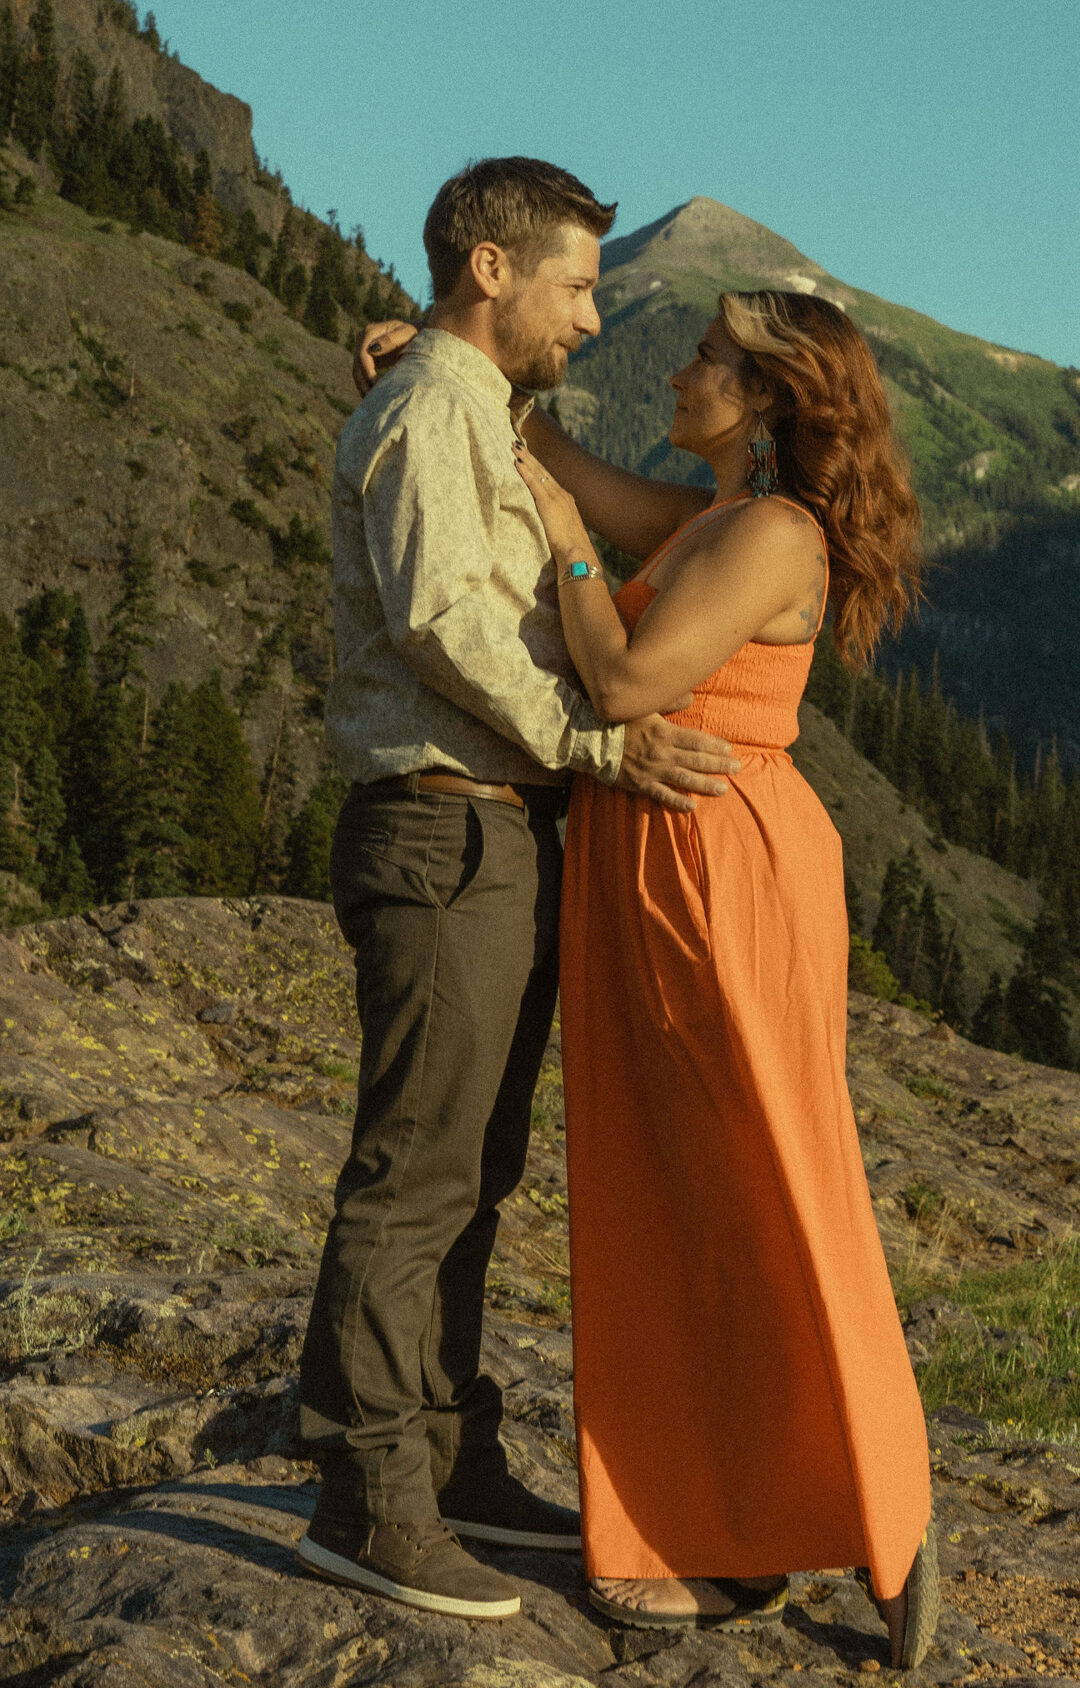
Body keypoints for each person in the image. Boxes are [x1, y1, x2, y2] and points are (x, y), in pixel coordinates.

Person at [296, 157, 740, 1623]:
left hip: (493, 834)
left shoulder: (471, 408)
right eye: (575, 283)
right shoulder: (431, 411)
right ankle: (366, 1500)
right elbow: (443, 626)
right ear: (493, 273)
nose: (592, 317)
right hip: (444, 829)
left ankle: (448, 1455)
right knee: (417, 1174)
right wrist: (598, 740)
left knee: (472, 1172)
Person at [510, 285, 939, 1670]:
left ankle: (785, 1529)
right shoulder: (712, 518)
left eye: (703, 360)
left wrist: (572, 549)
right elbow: (553, 463)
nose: (682, 372)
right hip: (673, 863)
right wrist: (445, 361)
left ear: (762, 398)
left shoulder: (764, 533)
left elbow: (630, 677)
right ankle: (825, 1500)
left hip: (710, 870)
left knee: (746, 1181)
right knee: (715, 1183)